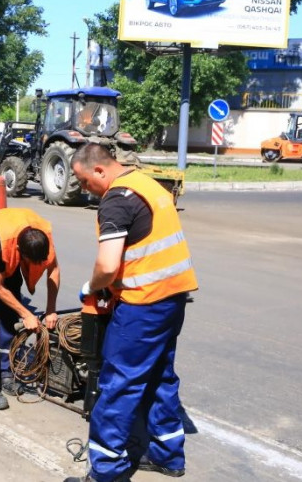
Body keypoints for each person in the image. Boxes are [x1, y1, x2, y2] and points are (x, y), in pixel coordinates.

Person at [64, 144, 198, 482]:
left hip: (144, 305)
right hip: (172, 298)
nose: (84, 189)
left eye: (82, 180)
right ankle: (168, 457)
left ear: (98, 170)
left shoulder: (117, 198)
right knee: (159, 376)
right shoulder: (147, 183)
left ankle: (107, 471)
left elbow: (108, 264)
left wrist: (93, 287)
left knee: (118, 385)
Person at [0, 207, 61, 410]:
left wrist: (51, 309)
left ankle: (6, 372)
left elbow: (54, 270)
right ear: (19, 252)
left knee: (9, 319)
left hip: (9, 257)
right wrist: (26, 314)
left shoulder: (43, 237)